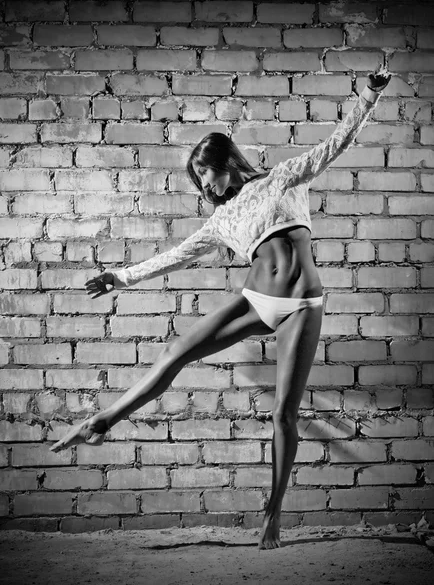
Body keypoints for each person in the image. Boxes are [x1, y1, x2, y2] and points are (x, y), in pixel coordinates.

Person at [50, 70, 391, 549]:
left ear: (225, 161)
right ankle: (101, 422)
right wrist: (120, 277)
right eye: (198, 183)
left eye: (205, 176)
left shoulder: (284, 178)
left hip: (303, 306)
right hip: (256, 301)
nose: (204, 188)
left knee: (283, 416)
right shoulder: (221, 219)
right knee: (177, 353)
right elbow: (174, 256)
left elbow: (338, 142)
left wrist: (369, 94)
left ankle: (273, 515)